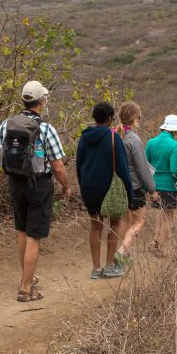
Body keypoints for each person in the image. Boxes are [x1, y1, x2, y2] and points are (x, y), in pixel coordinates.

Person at [0, 81, 72, 301]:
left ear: (23, 100)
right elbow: (57, 166)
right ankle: (26, 289)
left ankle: (27, 276)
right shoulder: (46, 129)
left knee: (22, 231)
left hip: (15, 184)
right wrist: (66, 187)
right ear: (41, 102)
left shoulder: (7, 124)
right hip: (39, 185)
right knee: (35, 236)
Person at [76, 102, 133, 278]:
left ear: (94, 117)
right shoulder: (114, 138)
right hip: (109, 190)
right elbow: (123, 169)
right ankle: (109, 266)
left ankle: (96, 269)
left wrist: (83, 185)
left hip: (89, 188)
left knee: (95, 227)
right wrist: (129, 194)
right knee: (114, 224)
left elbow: (79, 165)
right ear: (109, 118)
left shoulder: (83, 137)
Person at [113, 102, 157, 267]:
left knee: (125, 220)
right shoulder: (133, 139)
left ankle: (119, 252)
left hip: (117, 185)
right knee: (140, 221)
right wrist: (152, 189)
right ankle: (122, 252)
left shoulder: (114, 135)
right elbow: (142, 167)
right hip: (134, 187)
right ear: (136, 118)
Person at [145, 114, 177, 254]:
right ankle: (161, 249)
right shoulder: (175, 145)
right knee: (169, 216)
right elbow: (174, 169)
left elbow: (146, 166)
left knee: (162, 213)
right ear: (175, 130)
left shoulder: (151, 142)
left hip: (153, 185)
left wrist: (146, 186)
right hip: (169, 185)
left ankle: (155, 240)